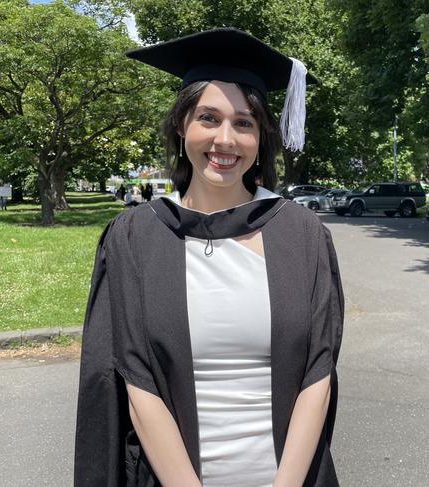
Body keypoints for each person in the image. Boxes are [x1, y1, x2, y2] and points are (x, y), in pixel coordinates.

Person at [74, 28, 344, 487]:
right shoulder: (135, 237)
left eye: (244, 123)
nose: (226, 139)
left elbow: (318, 372)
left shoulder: (302, 234)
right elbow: (136, 382)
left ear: (260, 138)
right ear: (182, 127)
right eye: (208, 118)